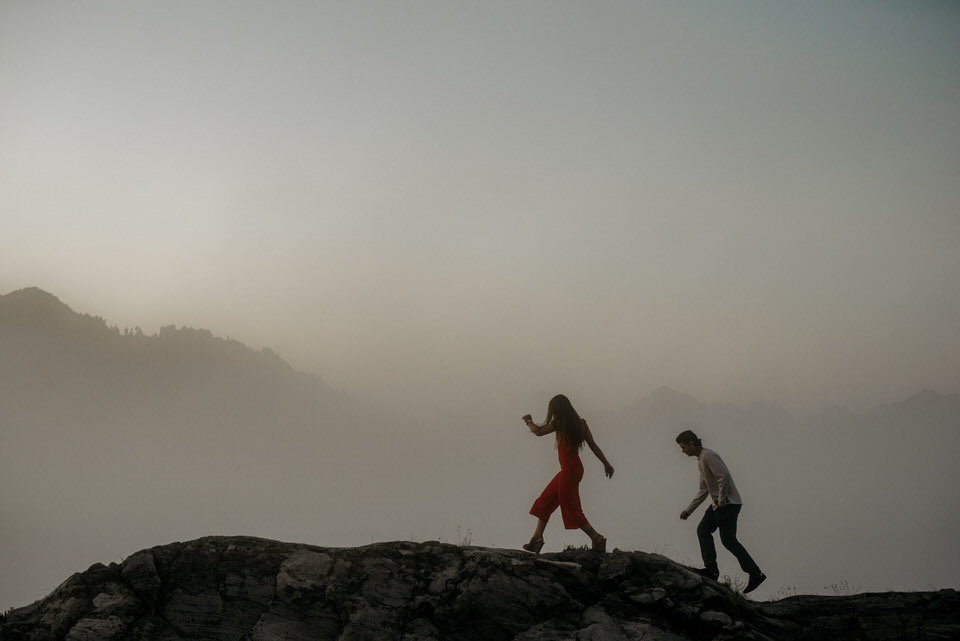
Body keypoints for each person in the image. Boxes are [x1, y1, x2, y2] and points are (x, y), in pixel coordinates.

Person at [522, 394, 614, 554]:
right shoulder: (580, 424)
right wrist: (606, 463)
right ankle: (537, 539)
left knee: (571, 508)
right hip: (572, 470)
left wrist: (528, 421)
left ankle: (596, 537)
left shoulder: (559, 423)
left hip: (569, 472)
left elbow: (538, 432)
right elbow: (594, 446)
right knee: (545, 500)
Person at [676, 429, 766, 594]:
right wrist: (688, 511)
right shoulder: (701, 460)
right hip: (719, 504)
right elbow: (704, 490)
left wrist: (722, 499)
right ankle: (712, 570)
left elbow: (723, 476)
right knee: (703, 530)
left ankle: (755, 573)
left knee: (728, 540)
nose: (683, 451)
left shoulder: (708, 455)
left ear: (691, 443)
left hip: (728, 504)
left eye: (683, 447)